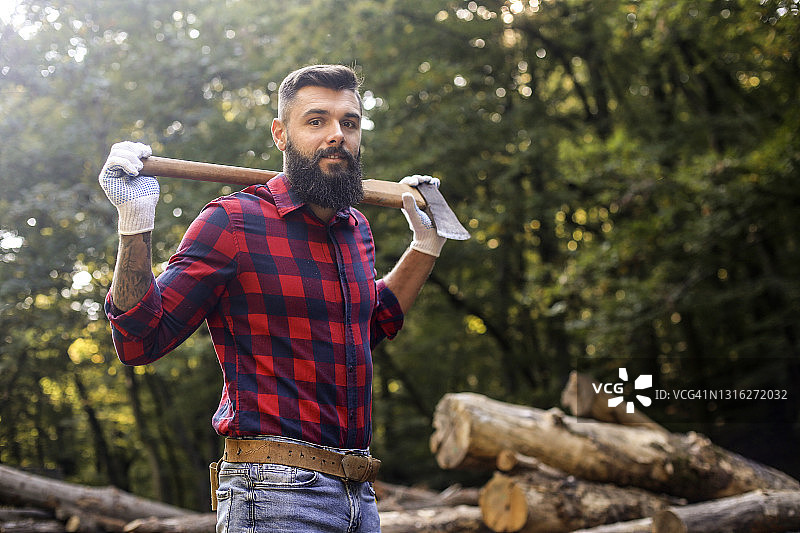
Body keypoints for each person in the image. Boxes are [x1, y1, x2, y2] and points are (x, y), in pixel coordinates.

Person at [99, 64, 450, 532]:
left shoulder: (355, 229)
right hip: (273, 492)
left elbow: (368, 326)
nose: (337, 135)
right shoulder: (233, 222)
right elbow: (140, 339)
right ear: (280, 134)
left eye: (349, 122)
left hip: (360, 496)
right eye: (316, 120)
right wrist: (134, 221)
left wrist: (427, 246)